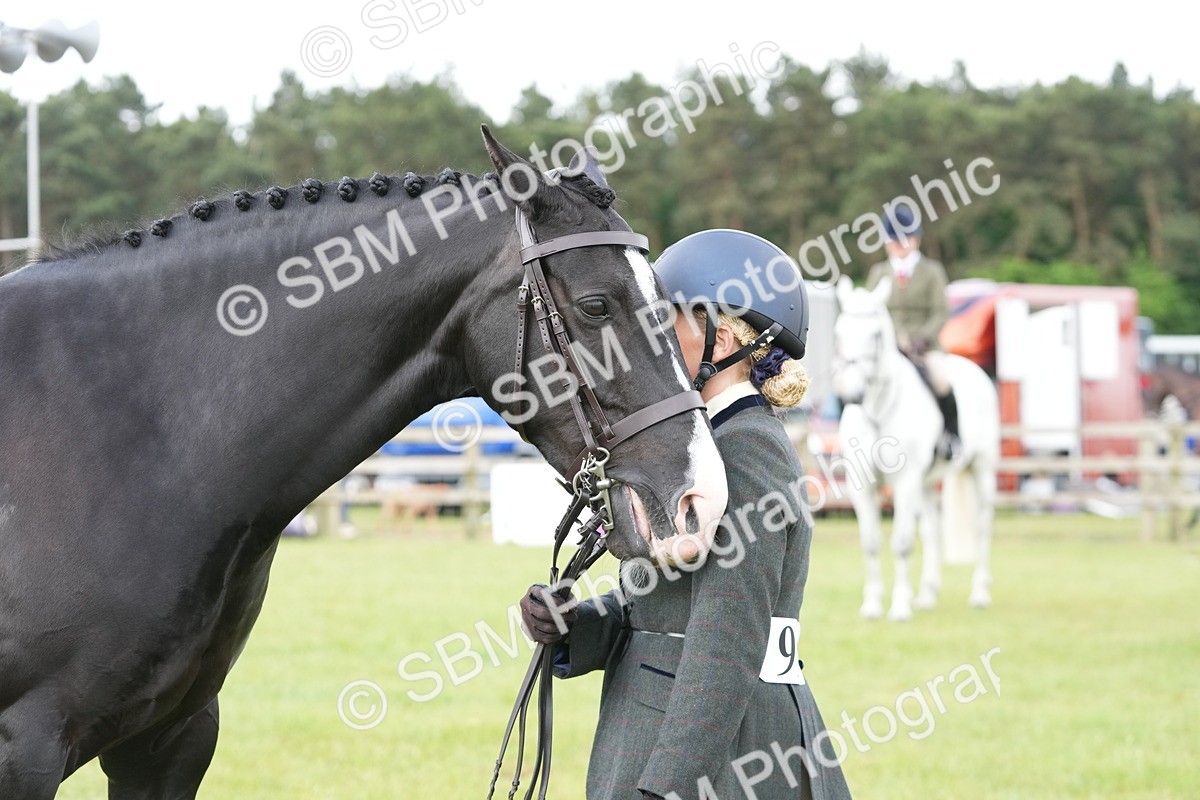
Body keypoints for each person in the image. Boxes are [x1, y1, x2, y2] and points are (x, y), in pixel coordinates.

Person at [520, 229, 854, 800]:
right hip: (658, 729)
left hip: (719, 757)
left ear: (719, 339)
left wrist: (668, 786)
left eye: (664, 322)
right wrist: (577, 625)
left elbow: (727, 642)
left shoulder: (745, 448)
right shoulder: (704, 445)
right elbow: (660, 609)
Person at [865, 203, 960, 459]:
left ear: (915, 240)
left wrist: (922, 338)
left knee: (941, 381)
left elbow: (940, 311)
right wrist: (895, 337)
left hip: (924, 346)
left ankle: (952, 436)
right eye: (892, 240)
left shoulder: (932, 271)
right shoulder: (878, 272)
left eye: (902, 239)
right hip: (889, 345)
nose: (897, 245)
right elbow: (872, 311)